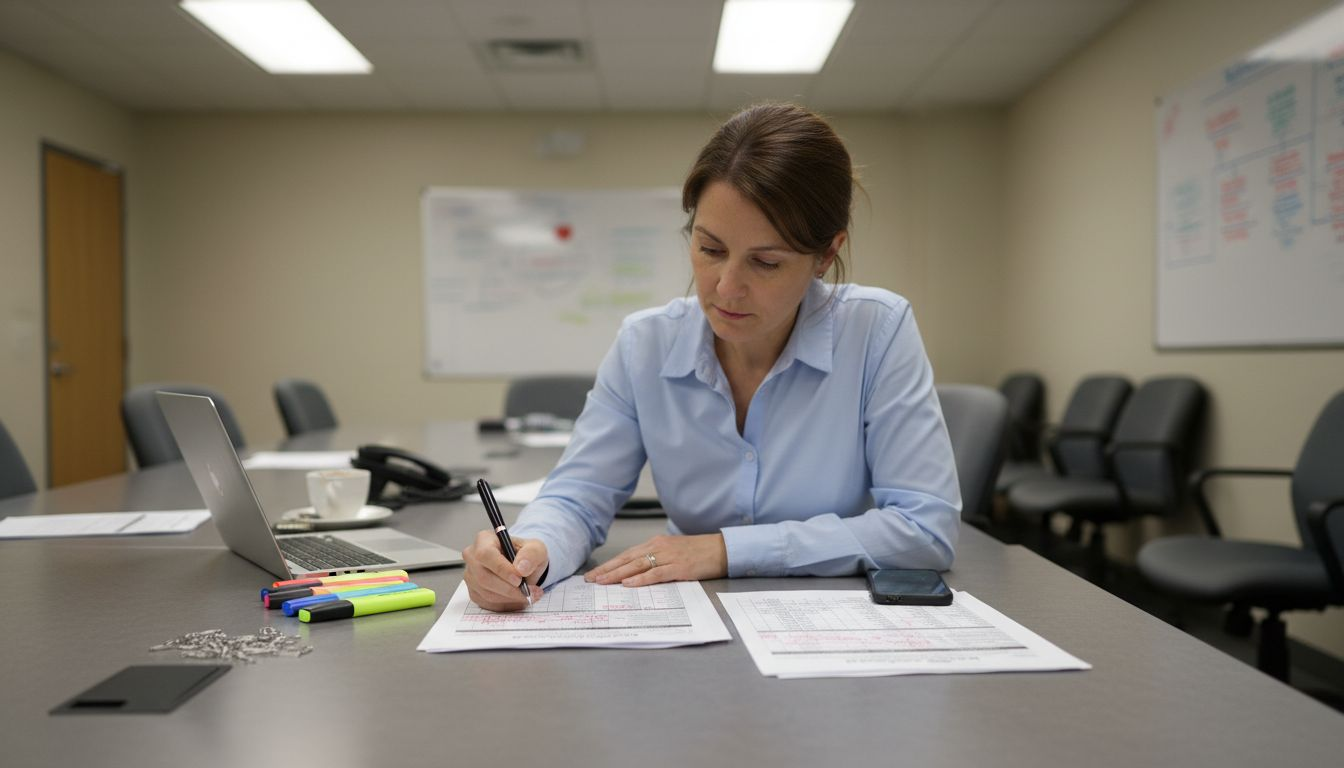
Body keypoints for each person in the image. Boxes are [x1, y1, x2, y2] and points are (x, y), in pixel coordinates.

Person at [463, 103, 961, 612]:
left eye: (765, 262)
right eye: (710, 249)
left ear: (826, 255)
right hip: (691, 612)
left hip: (830, 616)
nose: (726, 288)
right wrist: (533, 550)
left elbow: (925, 526)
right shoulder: (645, 344)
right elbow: (577, 495)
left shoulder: (877, 330)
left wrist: (724, 550)